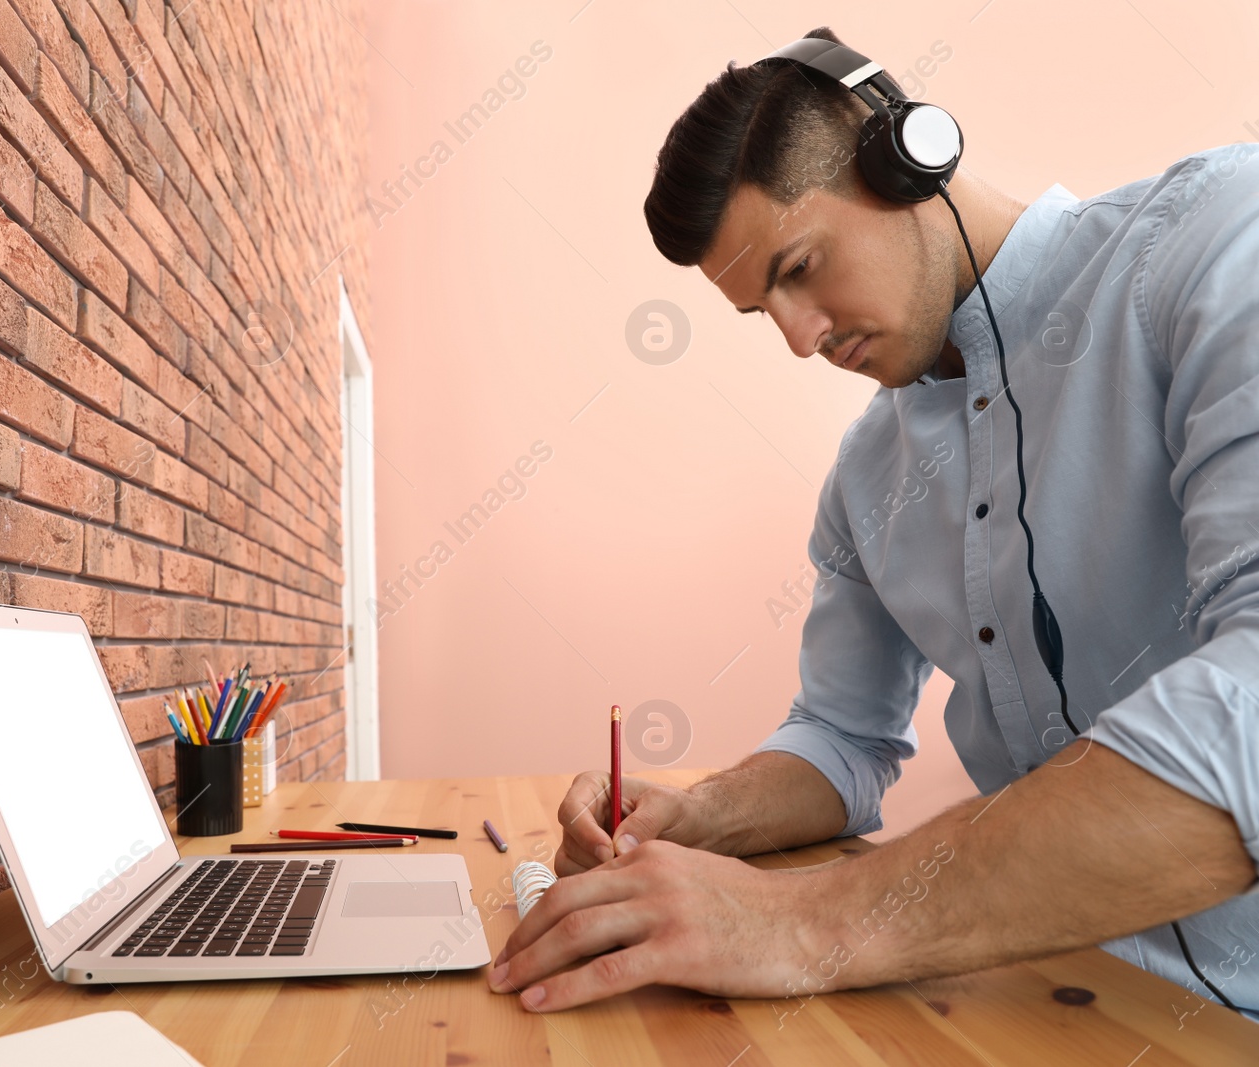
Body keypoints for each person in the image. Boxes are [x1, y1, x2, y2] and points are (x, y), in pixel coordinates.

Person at [486, 25, 1259, 1018]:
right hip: (1058, 1006)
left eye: (800, 266)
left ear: (902, 158)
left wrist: (801, 919)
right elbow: (842, 738)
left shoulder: (1213, 245)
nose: (800, 338)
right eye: (761, 311)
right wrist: (697, 816)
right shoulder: (866, 472)